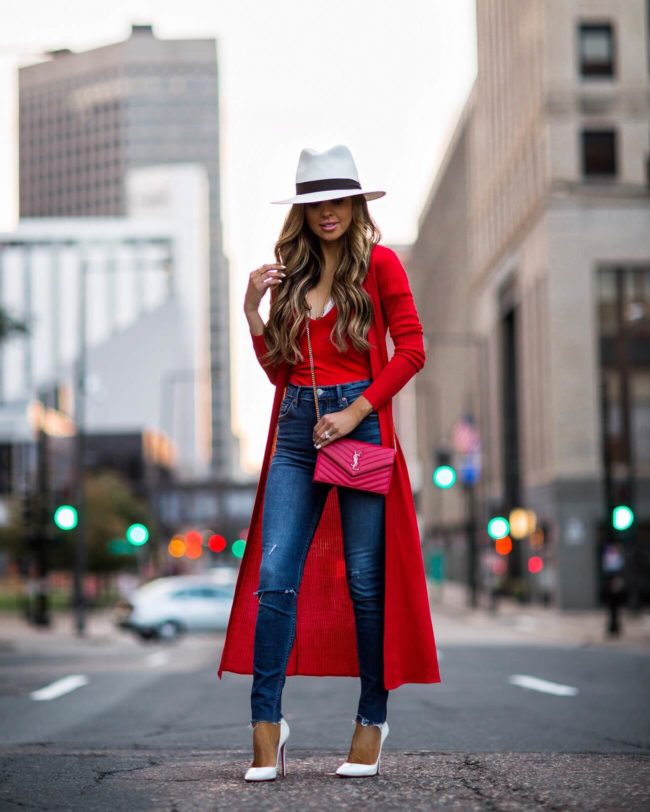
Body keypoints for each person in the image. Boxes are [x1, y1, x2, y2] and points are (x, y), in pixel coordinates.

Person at [217, 144, 441, 781]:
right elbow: (278, 374)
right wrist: (253, 313)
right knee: (274, 576)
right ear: (303, 211)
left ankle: (372, 719)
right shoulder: (288, 275)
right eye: (315, 203)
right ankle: (267, 723)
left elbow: (413, 349)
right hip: (296, 428)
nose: (328, 213)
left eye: (338, 200)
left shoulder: (382, 265)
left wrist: (355, 412)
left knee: (366, 583)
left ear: (355, 204)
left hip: (358, 427)